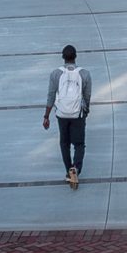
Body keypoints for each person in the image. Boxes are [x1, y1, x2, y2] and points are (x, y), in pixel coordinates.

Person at [42, 44, 92, 189]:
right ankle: (75, 168)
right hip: (77, 114)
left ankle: (69, 170)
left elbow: (51, 96)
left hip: (61, 114)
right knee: (79, 144)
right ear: (75, 57)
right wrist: (86, 110)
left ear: (63, 57)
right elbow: (87, 95)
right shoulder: (84, 74)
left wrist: (46, 116)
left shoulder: (55, 74)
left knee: (64, 143)